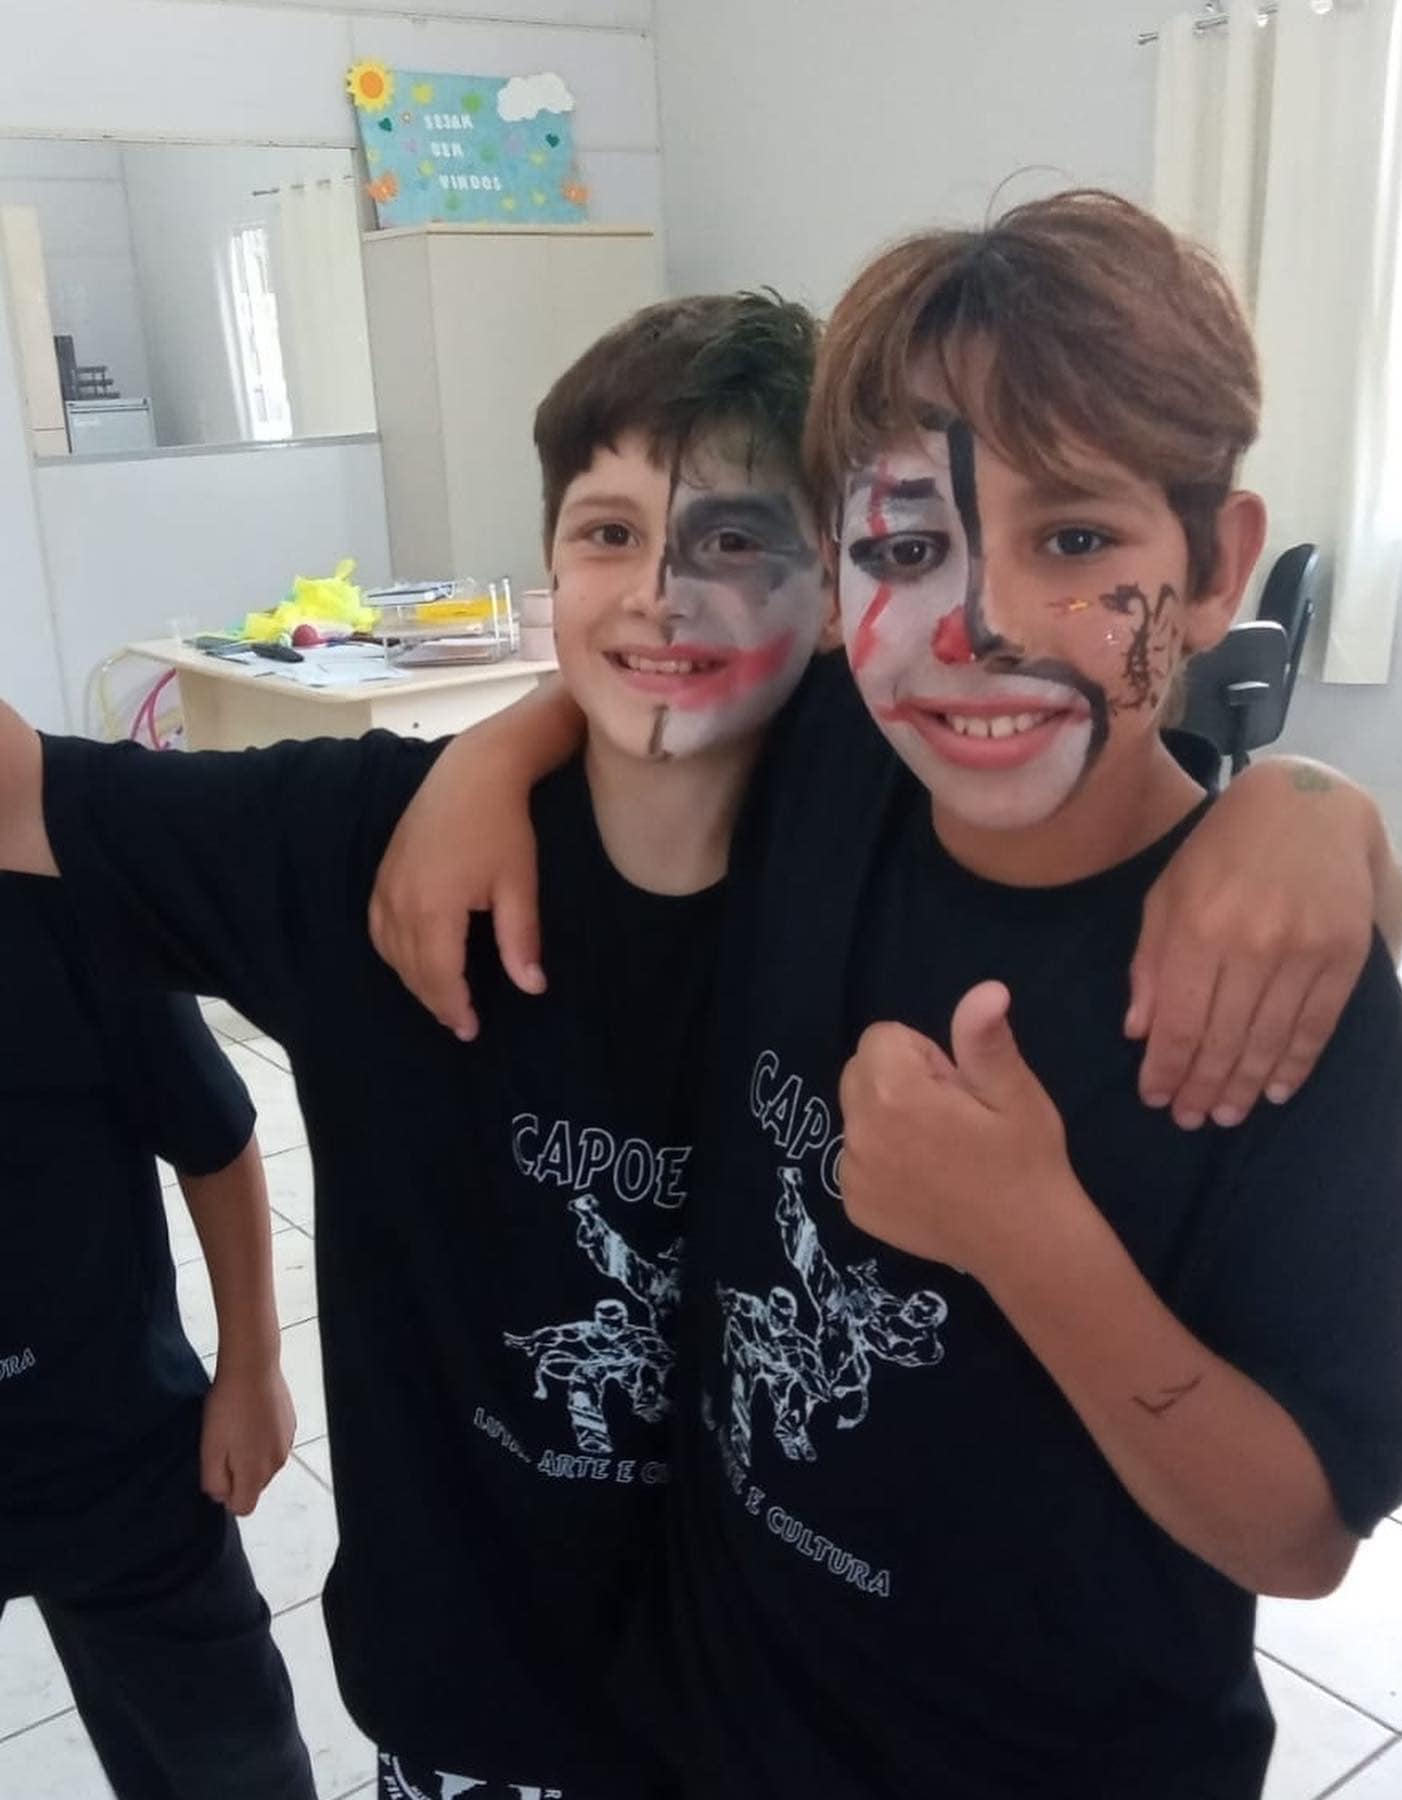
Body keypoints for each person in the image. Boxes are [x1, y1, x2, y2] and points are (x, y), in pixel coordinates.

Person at [363, 194, 1402, 1797]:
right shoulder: (835, 762)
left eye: (1076, 540)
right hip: (726, 1719)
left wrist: (1026, 1235)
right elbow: (663, 662)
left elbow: (1299, 1538)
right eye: (909, 549)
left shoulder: (1275, 1008)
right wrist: (489, 753)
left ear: (1215, 566)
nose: (976, 625)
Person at [0, 291, 837, 1800]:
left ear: (832, 585)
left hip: (780, 1705)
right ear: (547, 573)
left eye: (734, 536)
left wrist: (1285, 829)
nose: (663, 591)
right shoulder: (358, 852)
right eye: (609, 533)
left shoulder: (892, 866)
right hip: (476, 1698)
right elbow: (23, 793)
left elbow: (1133, 823)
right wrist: (499, 749)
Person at [0, 873, 314, 1800]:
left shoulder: (46, 888)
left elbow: (213, 1135)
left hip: (115, 1445)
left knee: (231, 1760)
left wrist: (252, 1368)